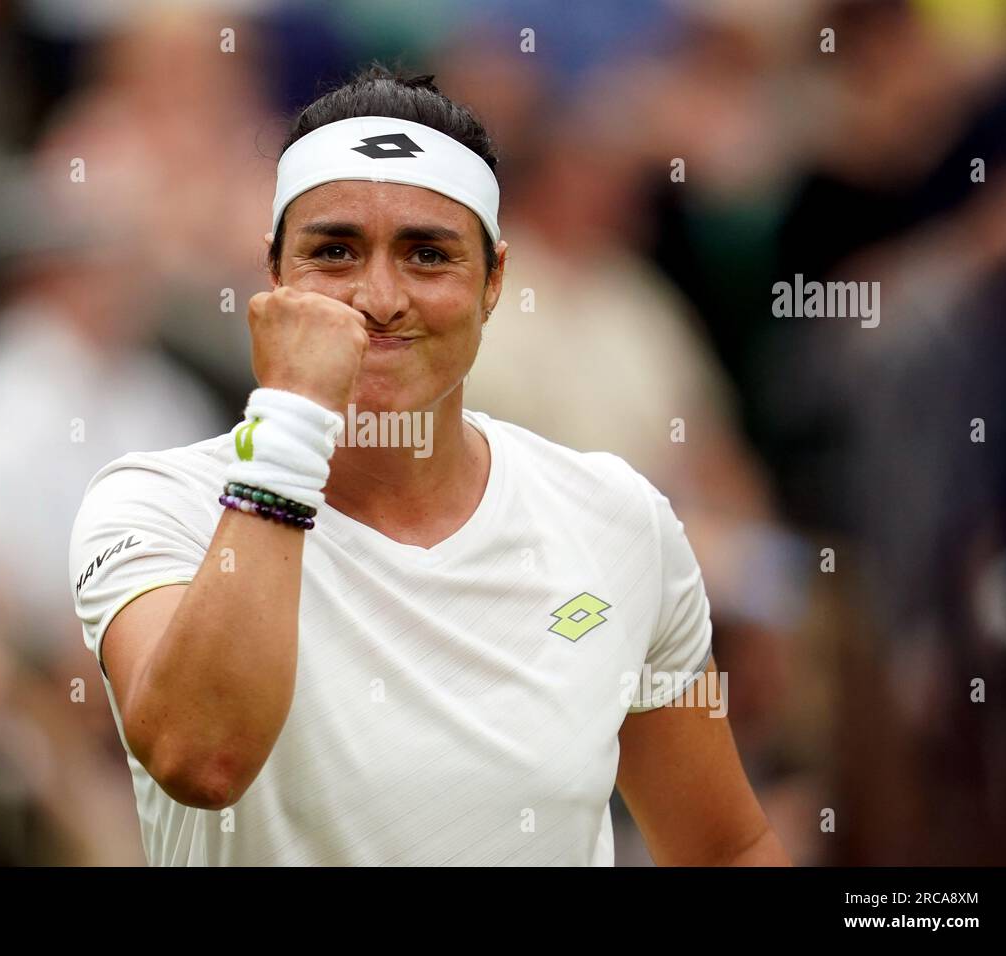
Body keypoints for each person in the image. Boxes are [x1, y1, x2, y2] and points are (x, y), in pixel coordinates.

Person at [68, 64, 790, 866]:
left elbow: (725, 848)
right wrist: (291, 427)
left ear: (494, 282)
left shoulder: (617, 517)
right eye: (334, 252)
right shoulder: (154, 504)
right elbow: (202, 760)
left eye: (427, 255)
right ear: (274, 277)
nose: (378, 297)